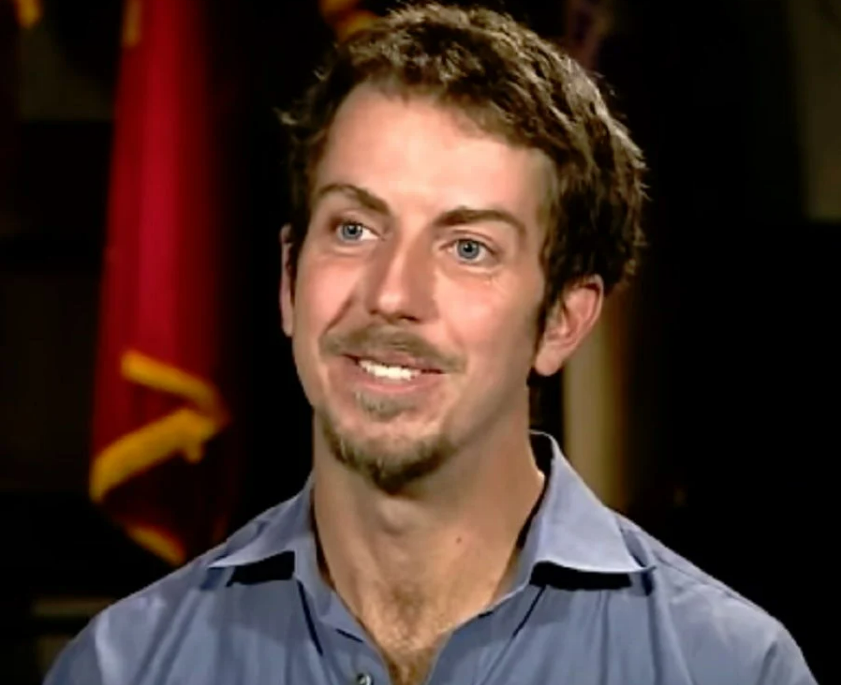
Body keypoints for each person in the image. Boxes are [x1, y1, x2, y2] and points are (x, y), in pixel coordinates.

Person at [46, 3, 817, 684]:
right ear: (289, 278)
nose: (390, 294)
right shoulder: (126, 665)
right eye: (354, 228)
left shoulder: (724, 665)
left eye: (468, 247)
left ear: (561, 321)